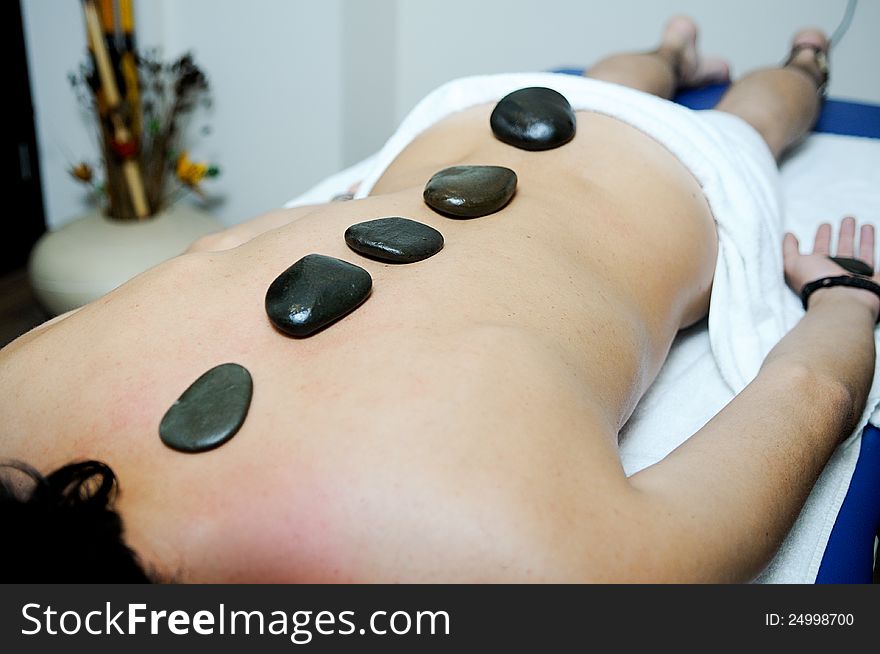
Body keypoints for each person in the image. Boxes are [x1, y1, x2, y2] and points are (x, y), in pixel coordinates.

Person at [1, 17, 876, 583]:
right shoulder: (17, 391)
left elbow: (813, 394)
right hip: (462, 127)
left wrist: (844, 295)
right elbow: (815, 396)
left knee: (738, 113)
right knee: (674, 92)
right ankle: (720, 56)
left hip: (657, 177)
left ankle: (750, 57)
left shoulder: (540, 572)